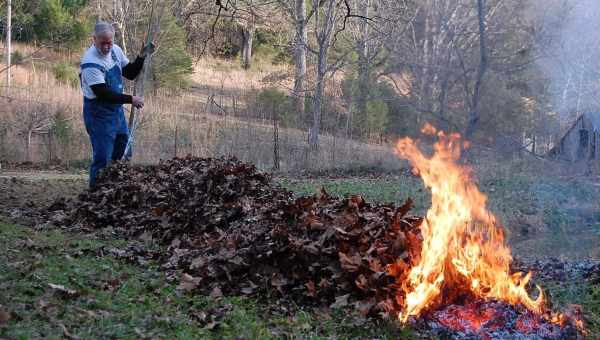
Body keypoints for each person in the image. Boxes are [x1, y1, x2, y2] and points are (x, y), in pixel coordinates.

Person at [80, 21, 153, 188]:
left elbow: (130, 73)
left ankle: (113, 188)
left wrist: (141, 57)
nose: (107, 47)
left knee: (123, 150)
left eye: (109, 42)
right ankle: (95, 195)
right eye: (102, 43)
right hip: (98, 113)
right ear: (94, 39)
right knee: (103, 158)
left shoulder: (116, 51)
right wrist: (131, 99)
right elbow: (103, 94)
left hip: (116, 112)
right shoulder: (90, 63)